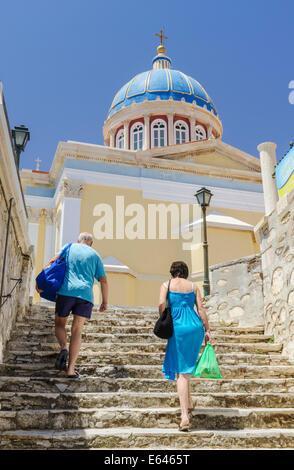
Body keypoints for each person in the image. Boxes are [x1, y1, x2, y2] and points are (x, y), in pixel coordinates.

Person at [36, 232, 108, 378]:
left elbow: (53, 261)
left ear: (78, 240)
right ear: (91, 244)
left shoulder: (69, 247)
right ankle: (71, 370)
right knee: (77, 331)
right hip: (85, 296)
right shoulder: (95, 255)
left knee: (59, 324)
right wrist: (105, 301)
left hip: (66, 292)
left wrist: (40, 280)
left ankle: (63, 348)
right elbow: (103, 280)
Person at [158, 261, 212, 432]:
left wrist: (164, 317)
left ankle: (184, 416)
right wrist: (207, 329)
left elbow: (161, 304)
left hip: (178, 328)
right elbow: (201, 308)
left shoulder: (166, 284)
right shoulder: (193, 286)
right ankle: (188, 402)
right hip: (195, 327)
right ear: (186, 272)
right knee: (187, 367)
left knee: (181, 372)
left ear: (172, 272)